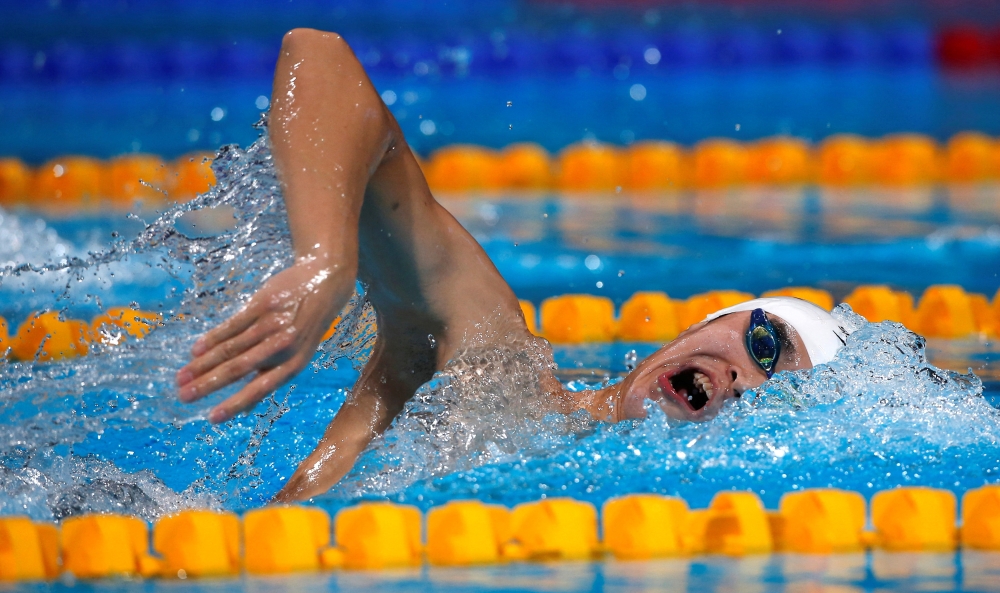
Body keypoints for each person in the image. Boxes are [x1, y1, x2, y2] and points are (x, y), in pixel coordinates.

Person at [174, 29, 849, 502]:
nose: (739, 380)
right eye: (763, 344)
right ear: (708, 324)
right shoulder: (499, 369)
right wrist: (326, 260)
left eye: (771, 398)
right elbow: (318, 56)